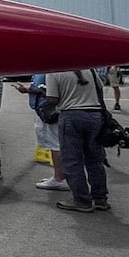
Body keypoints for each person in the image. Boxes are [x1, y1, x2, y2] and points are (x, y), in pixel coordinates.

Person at [44, 68, 109, 212]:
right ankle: (100, 198)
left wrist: (44, 92)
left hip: (71, 116)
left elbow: (53, 99)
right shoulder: (89, 69)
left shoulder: (54, 71)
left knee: (72, 160)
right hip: (95, 115)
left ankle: (82, 200)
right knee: (95, 159)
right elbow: (100, 88)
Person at [15, 74, 69, 192]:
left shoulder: (49, 71)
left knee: (56, 144)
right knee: (53, 143)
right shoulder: (43, 71)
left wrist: (29, 90)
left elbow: (49, 91)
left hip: (49, 110)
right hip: (43, 109)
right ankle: (59, 175)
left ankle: (60, 178)